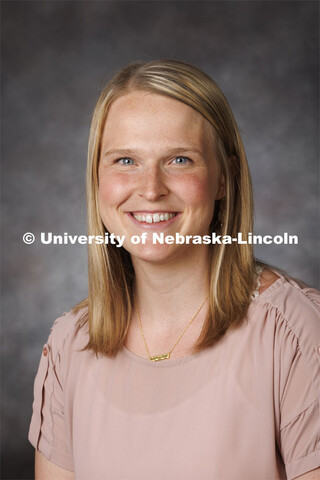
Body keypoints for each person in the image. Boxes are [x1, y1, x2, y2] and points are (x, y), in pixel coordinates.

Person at [28, 60, 320, 480]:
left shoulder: (295, 334)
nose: (150, 188)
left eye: (180, 160)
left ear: (224, 179)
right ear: (96, 178)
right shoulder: (68, 347)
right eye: (125, 160)